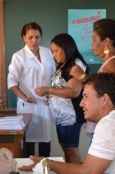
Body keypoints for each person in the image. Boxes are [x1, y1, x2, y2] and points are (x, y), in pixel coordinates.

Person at [34, 33, 89, 163]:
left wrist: (48, 90)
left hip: (71, 115)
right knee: (66, 148)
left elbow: (73, 92)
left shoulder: (76, 64)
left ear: (66, 48)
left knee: (71, 150)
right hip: (61, 116)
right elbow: (61, 89)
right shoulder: (63, 65)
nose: (54, 55)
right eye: (53, 51)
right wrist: (51, 97)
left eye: (56, 51)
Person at [7, 22, 56, 157]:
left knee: (45, 142)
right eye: (30, 37)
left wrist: (52, 94)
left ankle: (45, 172)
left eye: (37, 37)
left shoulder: (47, 53)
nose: (34, 41)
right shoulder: (19, 56)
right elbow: (11, 82)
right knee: (28, 143)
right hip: (28, 105)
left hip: (46, 104)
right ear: (24, 38)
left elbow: (54, 76)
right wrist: (25, 97)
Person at [85, 18, 115, 137]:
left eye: (94, 39)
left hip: (111, 128)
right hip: (107, 125)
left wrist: (81, 77)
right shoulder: (110, 62)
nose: (92, 44)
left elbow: (107, 94)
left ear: (106, 41)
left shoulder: (114, 64)